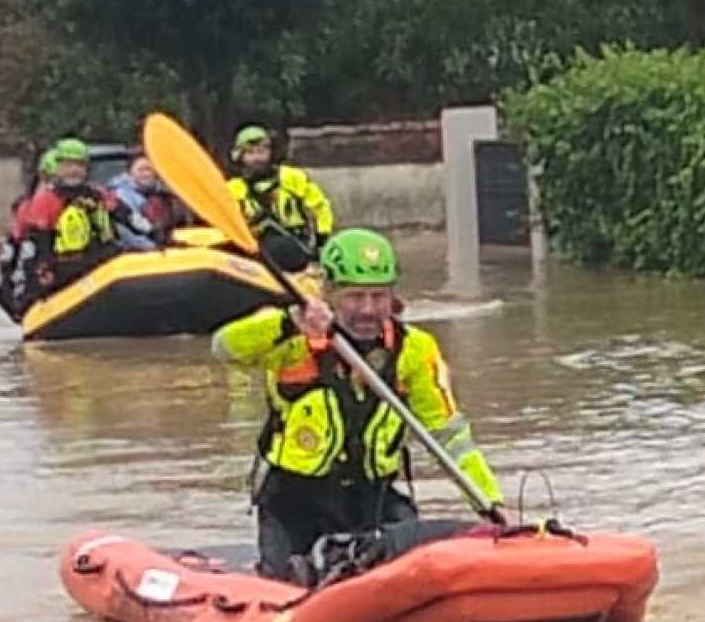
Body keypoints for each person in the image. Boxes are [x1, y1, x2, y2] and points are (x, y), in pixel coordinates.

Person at [212, 226, 505, 580]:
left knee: (418, 558)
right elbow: (225, 348)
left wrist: (490, 503)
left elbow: (451, 436)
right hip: (294, 502)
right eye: (356, 296)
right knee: (290, 578)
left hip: (374, 498)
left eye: (379, 296)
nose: (368, 309)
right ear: (330, 293)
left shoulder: (415, 350)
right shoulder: (292, 337)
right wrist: (289, 323)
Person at [0, 138, 120, 321]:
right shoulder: (34, 205)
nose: (47, 185)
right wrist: (25, 280)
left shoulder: (96, 196)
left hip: (94, 260)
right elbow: (24, 249)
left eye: (79, 165)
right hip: (61, 265)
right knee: (13, 290)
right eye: (45, 179)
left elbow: (124, 216)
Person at [226, 122, 334, 265]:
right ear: (239, 157)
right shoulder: (233, 189)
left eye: (261, 152)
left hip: (297, 246)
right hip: (258, 254)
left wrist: (322, 237)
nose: (257, 158)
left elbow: (320, 206)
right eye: (250, 153)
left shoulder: (292, 177)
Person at [108, 149, 178, 249]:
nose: (146, 174)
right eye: (141, 170)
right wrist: (153, 248)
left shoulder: (165, 193)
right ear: (129, 172)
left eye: (149, 169)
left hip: (164, 248)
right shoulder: (120, 195)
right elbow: (125, 232)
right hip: (137, 251)